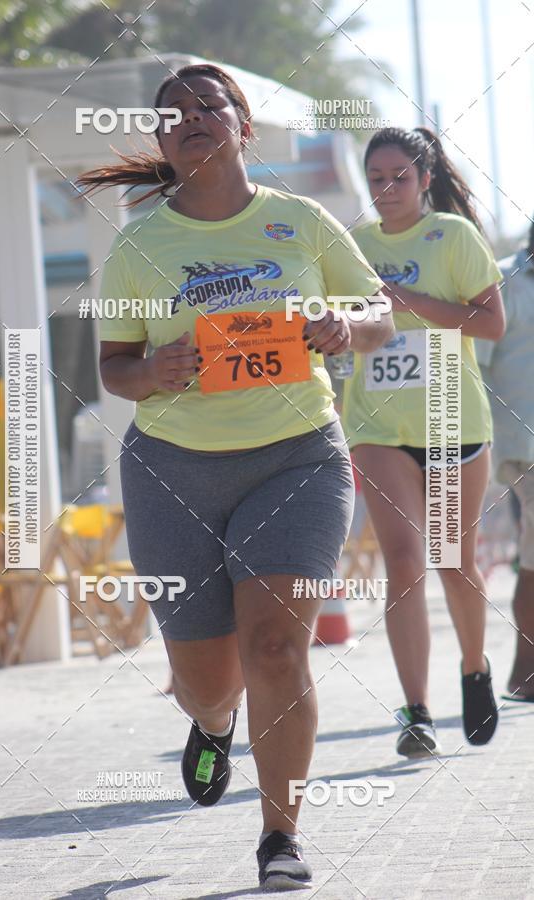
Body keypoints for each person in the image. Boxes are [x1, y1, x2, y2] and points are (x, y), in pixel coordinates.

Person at [77, 64, 392, 890]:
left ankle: (280, 839)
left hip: (296, 457)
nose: (189, 119)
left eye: (207, 106)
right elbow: (114, 368)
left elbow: (380, 312)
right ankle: (213, 725)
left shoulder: (301, 220)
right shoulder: (140, 246)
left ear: (242, 126)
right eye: (171, 113)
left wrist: (343, 324)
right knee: (206, 680)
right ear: (162, 143)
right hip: (172, 470)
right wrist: (159, 368)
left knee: (277, 647)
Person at [342, 126, 506, 758]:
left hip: (450, 420)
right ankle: (415, 711)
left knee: (451, 560)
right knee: (404, 562)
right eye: (376, 179)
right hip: (379, 426)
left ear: (425, 179)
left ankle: (473, 666)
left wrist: (405, 299)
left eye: (399, 178)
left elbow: (492, 324)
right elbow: (355, 329)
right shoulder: (353, 246)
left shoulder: (453, 236)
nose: (387, 189)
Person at [476, 218, 534, 702]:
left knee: (532, 560)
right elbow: (475, 366)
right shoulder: (506, 280)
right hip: (525, 449)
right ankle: (524, 673)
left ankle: (524, 673)